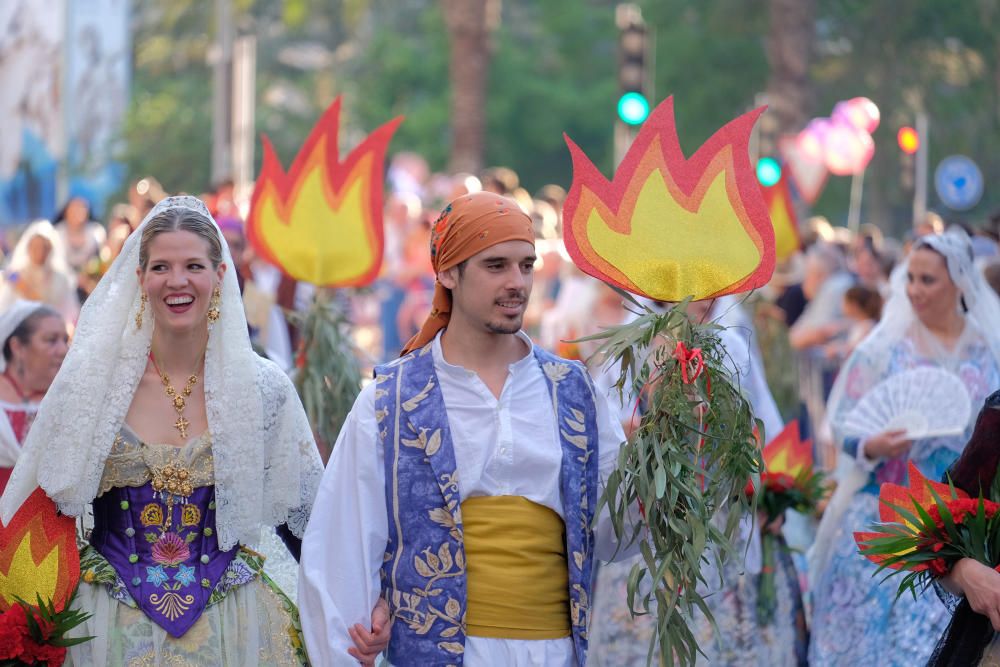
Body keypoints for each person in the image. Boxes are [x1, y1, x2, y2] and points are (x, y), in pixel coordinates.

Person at [0, 196, 388, 665]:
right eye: (161, 266)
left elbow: (308, 523)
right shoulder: (92, 389)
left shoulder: (263, 389)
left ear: (220, 275)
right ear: (140, 278)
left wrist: (365, 606)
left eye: (193, 266)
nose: (177, 281)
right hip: (107, 629)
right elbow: (36, 511)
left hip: (239, 629)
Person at [299, 191, 631, 666]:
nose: (517, 282)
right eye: (496, 266)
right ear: (448, 272)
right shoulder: (390, 400)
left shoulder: (574, 390)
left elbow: (616, 532)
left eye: (526, 265)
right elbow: (340, 555)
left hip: (553, 654)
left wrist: (678, 447)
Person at [808, 231, 1000, 666]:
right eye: (909, 277)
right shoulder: (883, 349)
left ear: (960, 282)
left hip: (960, 524)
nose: (914, 289)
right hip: (886, 518)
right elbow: (842, 426)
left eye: (927, 280)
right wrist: (874, 443)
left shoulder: (990, 348)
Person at [588, 296, 807, 667]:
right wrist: (662, 423)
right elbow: (606, 422)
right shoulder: (638, 341)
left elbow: (761, 425)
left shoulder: (732, 344)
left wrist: (767, 490)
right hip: (656, 509)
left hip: (722, 512)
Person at [0, 300, 67, 493]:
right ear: (17, 346)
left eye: (65, 339)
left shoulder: (68, 400)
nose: (63, 350)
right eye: (51, 340)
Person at [0, 220, 79, 321]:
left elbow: (69, 312)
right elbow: (5, 308)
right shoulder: (16, 275)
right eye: (35, 247)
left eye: (44, 247)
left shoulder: (61, 278)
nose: (40, 251)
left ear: (51, 248)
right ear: (28, 247)